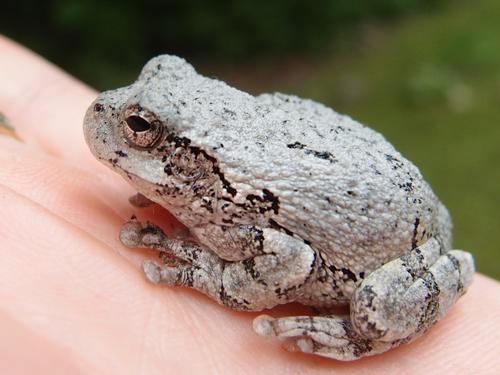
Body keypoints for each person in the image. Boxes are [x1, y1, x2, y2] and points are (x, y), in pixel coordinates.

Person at [0, 35, 498, 374]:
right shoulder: (214, 187)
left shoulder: (232, 202)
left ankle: (362, 338)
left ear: (189, 161)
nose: (109, 114)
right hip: (362, 181)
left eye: (139, 129)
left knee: (374, 311)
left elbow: (292, 259)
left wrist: (215, 276)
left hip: (393, 256)